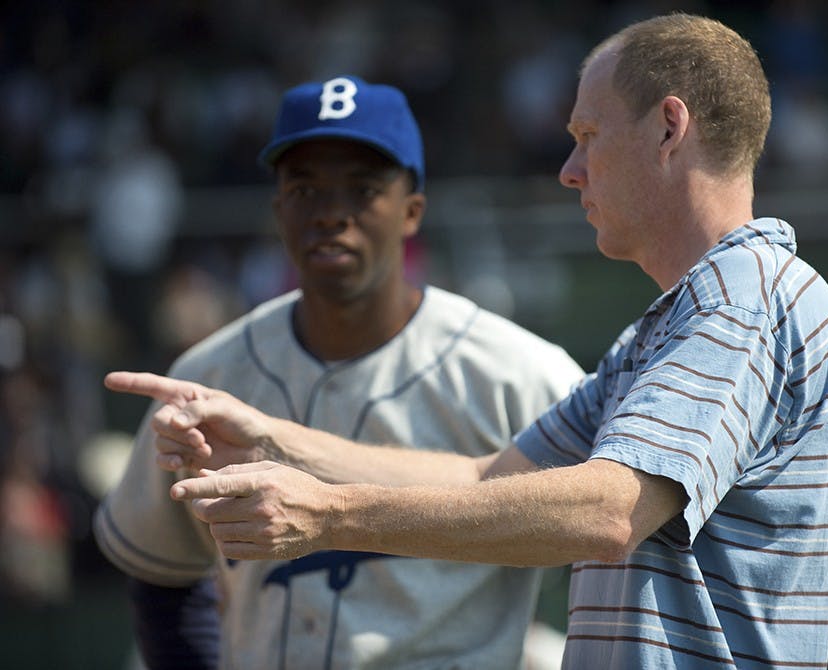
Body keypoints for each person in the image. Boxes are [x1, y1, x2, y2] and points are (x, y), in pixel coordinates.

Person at [106, 13, 828, 668]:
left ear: (669, 128)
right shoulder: (666, 326)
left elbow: (607, 514)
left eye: (588, 136)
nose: (568, 171)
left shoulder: (744, 297)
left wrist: (326, 516)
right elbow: (482, 480)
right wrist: (275, 439)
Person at [94, 75, 585, 669]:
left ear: (411, 211)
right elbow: (162, 578)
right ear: (278, 209)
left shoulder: (522, 374)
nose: (331, 214)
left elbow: (605, 546)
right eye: (305, 190)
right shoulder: (207, 375)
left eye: (362, 189)